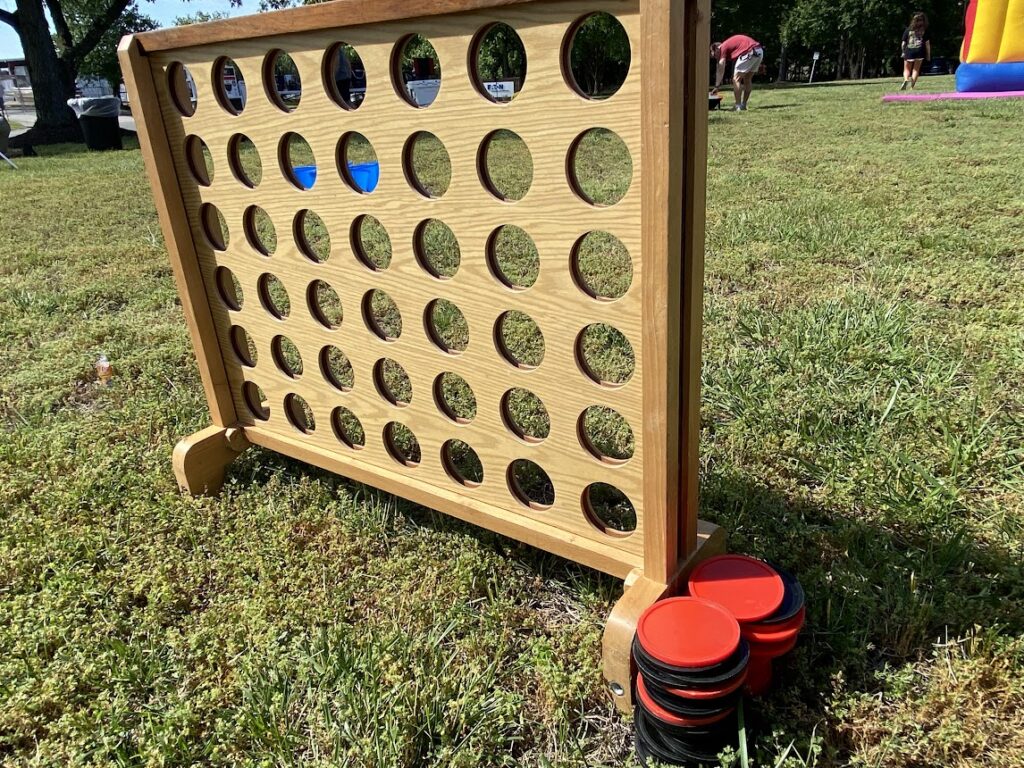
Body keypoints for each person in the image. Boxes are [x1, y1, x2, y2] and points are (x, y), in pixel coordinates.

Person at [711, 35, 764, 111]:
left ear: (716, 48)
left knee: (736, 79)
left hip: (749, 51)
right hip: (759, 50)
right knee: (747, 79)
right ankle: (743, 105)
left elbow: (721, 67)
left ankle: (738, 106)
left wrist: (717, 86)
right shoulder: (727, 45)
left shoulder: (722, 47)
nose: (716, 58)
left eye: (714, 55)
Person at [900, 12, 931, 90]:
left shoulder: (908, 30)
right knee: (916, 70)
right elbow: (927, 44)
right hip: (920, 51)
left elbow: (903, 43)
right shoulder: (924, 31)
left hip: (909, 51)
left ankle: (906, 79)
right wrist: (928, 55)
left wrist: (903, 52)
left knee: (906, 69)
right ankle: (912, 86)